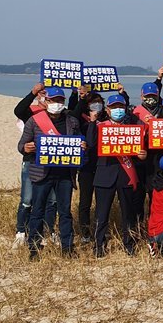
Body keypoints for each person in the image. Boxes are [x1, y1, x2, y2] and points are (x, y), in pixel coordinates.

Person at [16, 87, 81, 259]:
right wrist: (26, 148)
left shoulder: (72, 121)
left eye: (60, 101)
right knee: (37, 211)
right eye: (53, 101)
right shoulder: (35, 121)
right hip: (42, 173)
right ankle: (34, 248)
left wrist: (83, 146)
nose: (57, 104)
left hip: (65, 175)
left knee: (65, 212)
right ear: (47, 101)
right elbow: (21, 145)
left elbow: (80, 142)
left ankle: (67, 247)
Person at [87, 93, 147, 256]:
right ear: (107, 109)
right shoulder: (100, 126)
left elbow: (140, 152)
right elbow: (91, 145)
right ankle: (99, 246)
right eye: (114, 107)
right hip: (105, 174)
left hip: (126, 175)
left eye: (120, 107)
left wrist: (142, 155)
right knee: (102, 213)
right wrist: (92, 122)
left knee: (128, 213)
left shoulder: (133, 128)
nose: (118, 110)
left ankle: (129, 244)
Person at [12, 83, 56, 247]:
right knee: (27, 199)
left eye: (52, 99)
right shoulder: (32, 112)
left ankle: (48, 231)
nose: (49, 102)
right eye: (46, 98)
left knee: (52, 200)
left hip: (53, 163)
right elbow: (18, 110)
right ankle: (21, 232)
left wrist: (76, 94)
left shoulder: (60, 115)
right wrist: (33, 92)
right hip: (32, 161)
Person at [71, 87, 107, 244]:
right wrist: (82, 97)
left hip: (102, 166)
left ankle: (99, 233)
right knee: (85, 202)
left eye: (99, 103)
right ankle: (85, 233)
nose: (96, 106)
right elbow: (74, 112)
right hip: (86, 166)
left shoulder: (106, 119)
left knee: (101, 202)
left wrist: (122, 94)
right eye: (93, 103)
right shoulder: (80, 120)